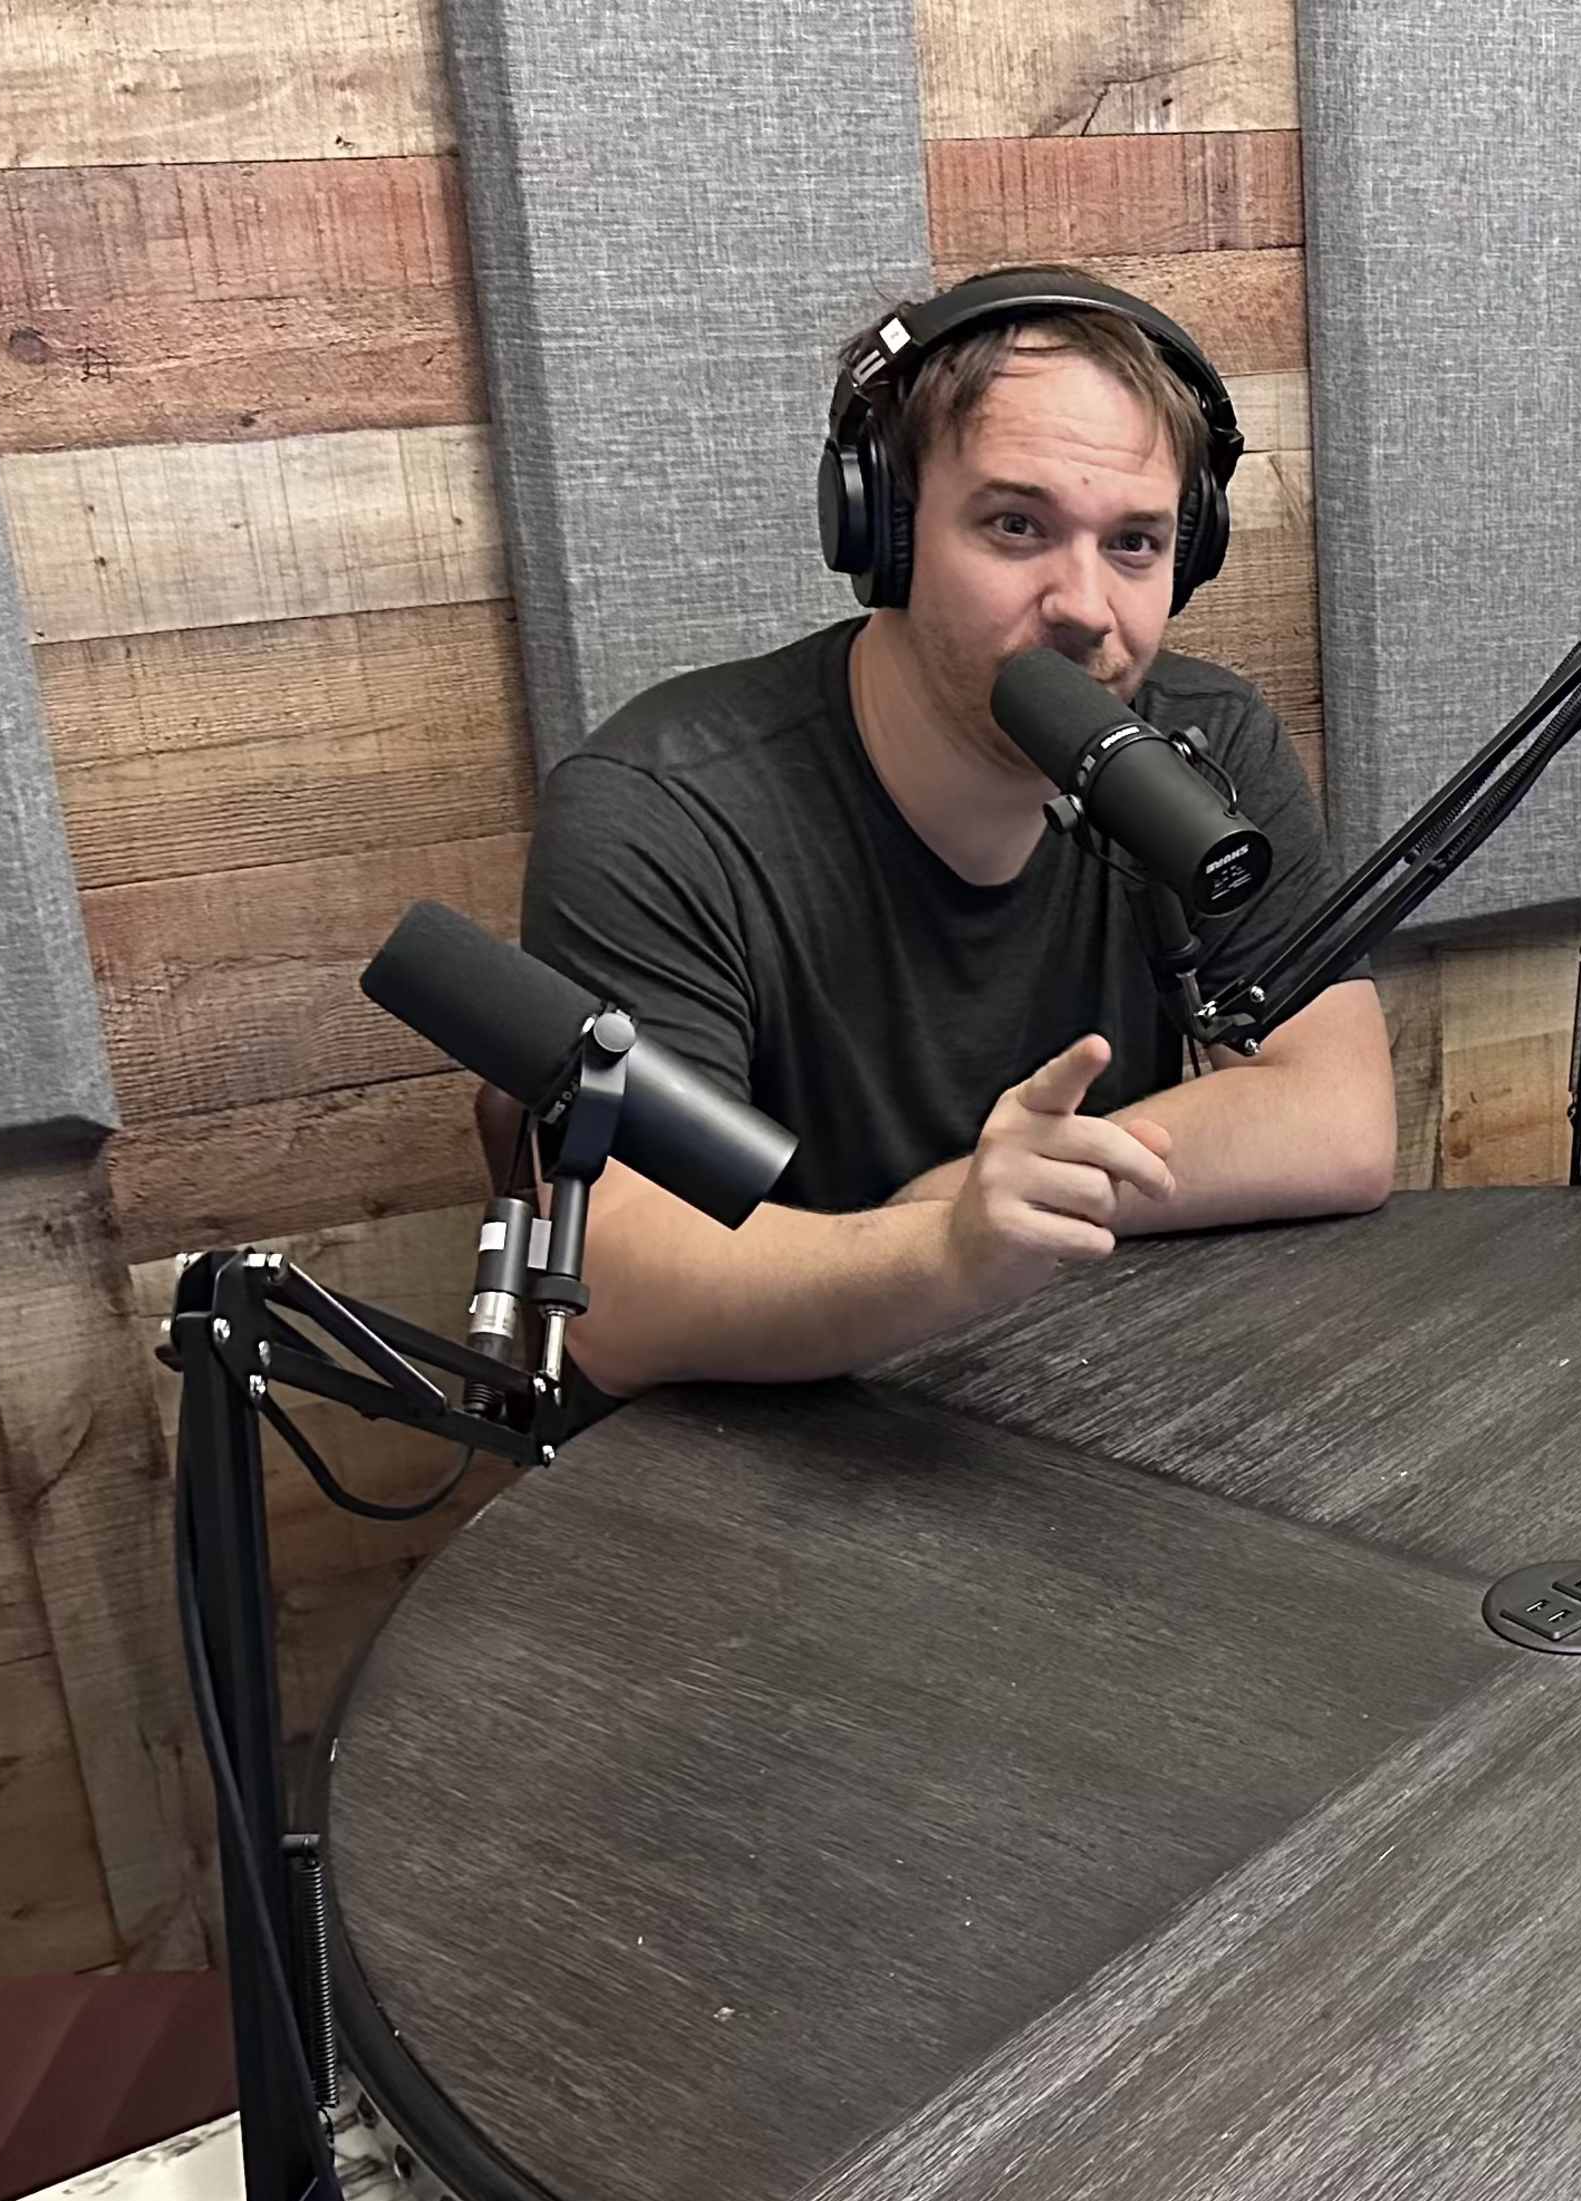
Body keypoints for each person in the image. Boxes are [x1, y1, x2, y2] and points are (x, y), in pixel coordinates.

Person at [513, 268, 1396, 1398]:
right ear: (885, 531)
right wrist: (953, 1246)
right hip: (751, 1465)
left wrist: (975, 1196)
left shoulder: (1200, 745)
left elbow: (1339, 1118)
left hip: (1064, 1403)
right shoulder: (661, 810)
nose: (1084, 606)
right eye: (1016, 525)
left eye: (1134, 545)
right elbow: (620, 1295)